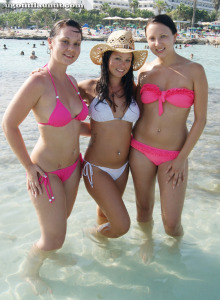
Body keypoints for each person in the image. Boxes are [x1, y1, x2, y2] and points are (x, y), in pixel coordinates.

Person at [2, 19, 89, 292]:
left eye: (76, 44)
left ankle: (47, 255)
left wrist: (117, 132)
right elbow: (8, 124)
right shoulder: (38, 82)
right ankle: (28, 271)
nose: (71, 48)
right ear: (50, 43)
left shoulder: (73, 81)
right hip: (47, 171)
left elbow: (76, 127)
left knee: (58, 228)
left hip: (74, 168)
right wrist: (28, 166)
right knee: (53, 239)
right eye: (65, 41)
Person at [129, 15, 208, 237]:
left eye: (163, 36)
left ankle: (176, 258)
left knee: (172, 224)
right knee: (143, 211)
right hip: (140, 149)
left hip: (174, 154)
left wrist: (182, 158)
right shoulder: (144, 71)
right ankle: (147, 246)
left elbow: (200, 119)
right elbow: (130, 106)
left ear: (175, 36)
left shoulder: (195, 70)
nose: (157, 43)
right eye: (151, 38)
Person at [79, 30, 148, 238]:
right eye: (117, 57)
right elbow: (57, 96)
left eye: (128, 59)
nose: (123, 64)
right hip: (96, 168)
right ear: (106, 58)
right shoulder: (88, 87)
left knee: (106, 214)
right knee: (122, 226)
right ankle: (91, 235)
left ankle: (101, 252)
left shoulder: (133, 90)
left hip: (123, 167)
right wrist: (42, 72)